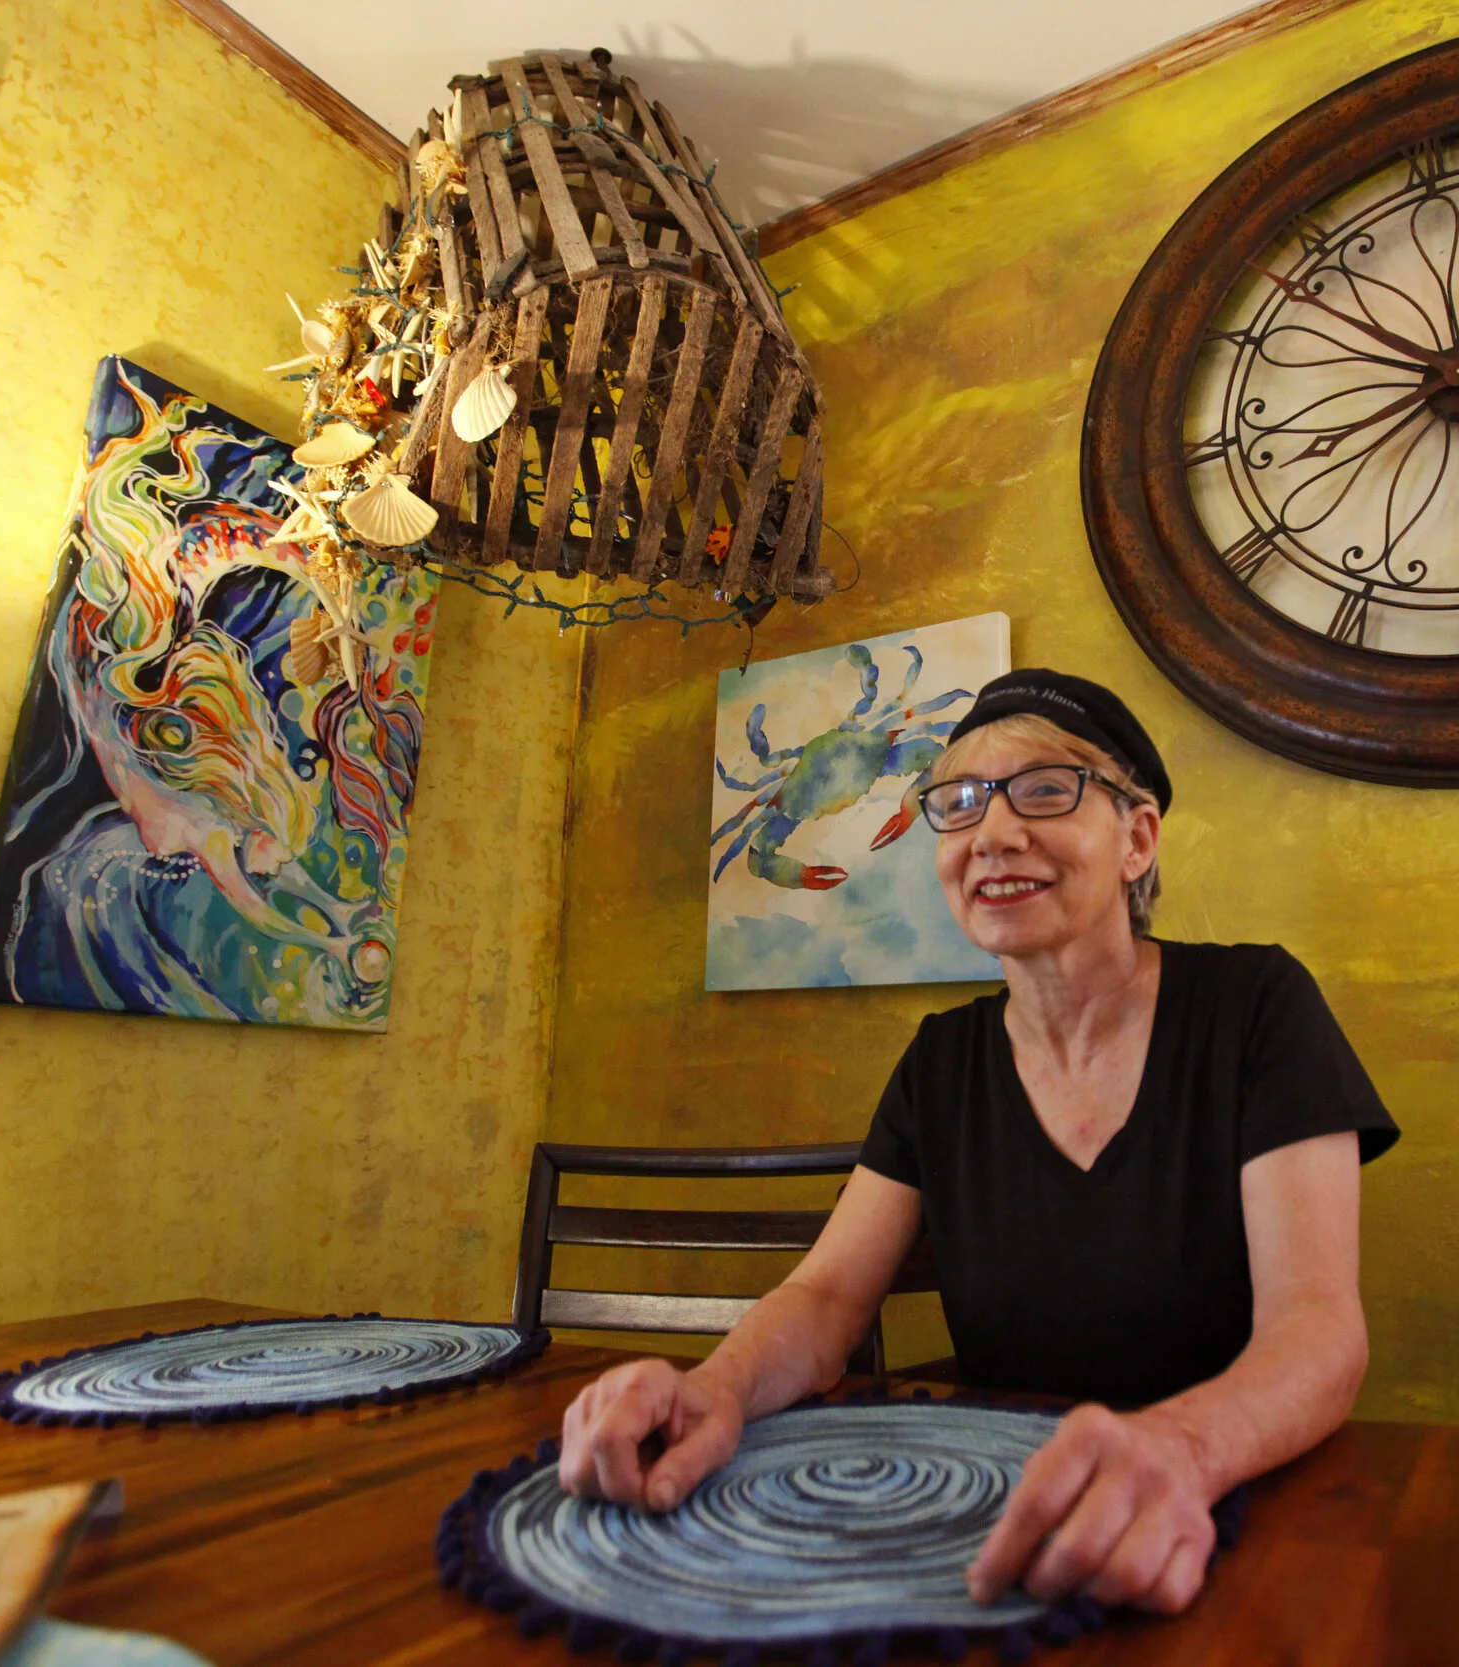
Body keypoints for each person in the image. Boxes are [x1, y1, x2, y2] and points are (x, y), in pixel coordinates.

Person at [557, 668, 1397, 1616]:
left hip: (1229, 1511)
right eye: (958, 804)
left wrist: (1184, 1447)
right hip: (998, 1524)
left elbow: (1319, 1328)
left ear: (1138, 837)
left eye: (1046, 789)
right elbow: (827, 1298)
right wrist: (715, 1386)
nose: (993, 832)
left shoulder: (1257, 1009)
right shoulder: (940, 1061)